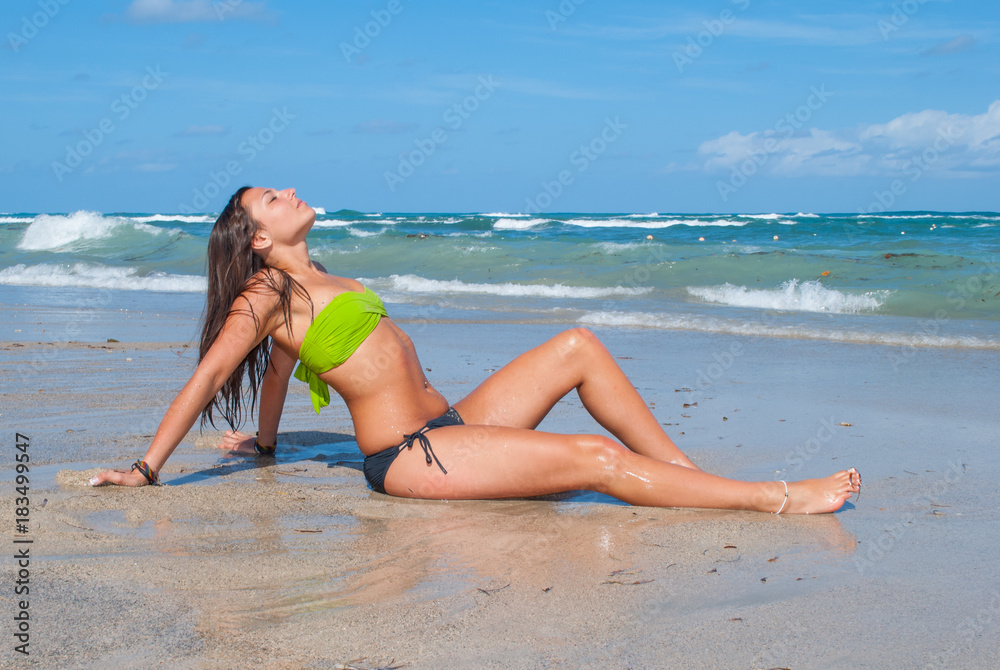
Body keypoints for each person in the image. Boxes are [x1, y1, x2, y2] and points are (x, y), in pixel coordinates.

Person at [92, 186, 861, 513]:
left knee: (578, 345)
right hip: (410, 457)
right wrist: (146, 468)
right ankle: (776, 498)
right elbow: (215, 372)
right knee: (594, 459)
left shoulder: (319, 278)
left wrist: (265, 443)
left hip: (452, 422)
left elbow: (283, 373)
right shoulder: (264, 297)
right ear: (259, 236)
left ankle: (688, 478)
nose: (291, 193)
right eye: (272, 199)